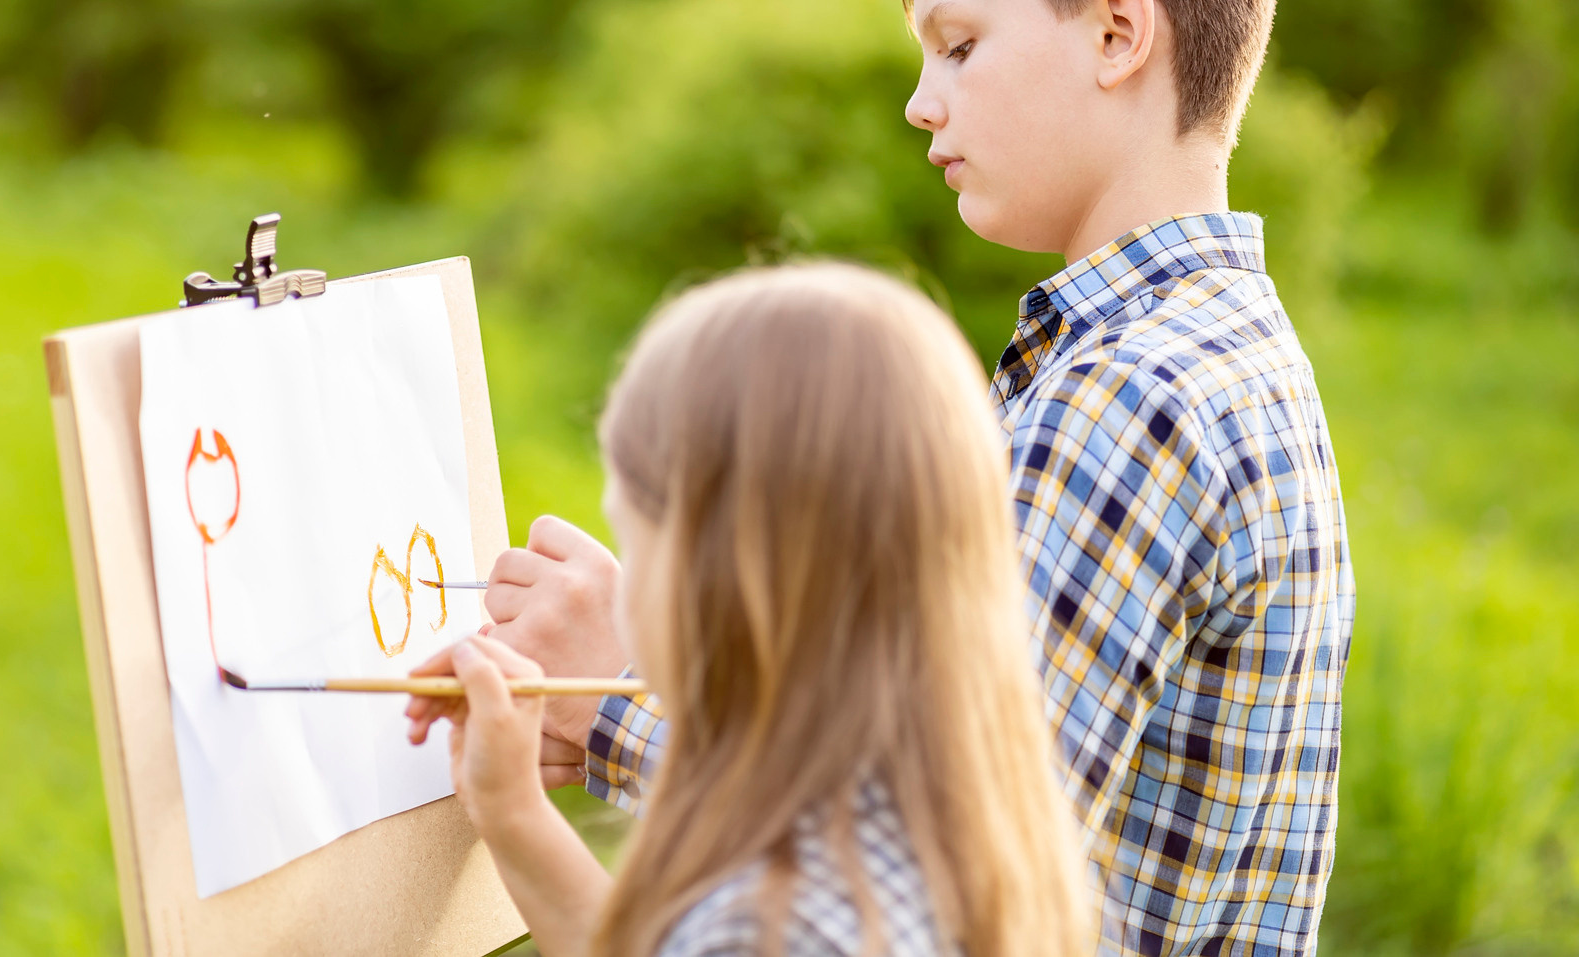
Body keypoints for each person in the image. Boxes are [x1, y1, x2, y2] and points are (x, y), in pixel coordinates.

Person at [481, 0, 1355, 956]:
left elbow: (937, 872)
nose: (919, 101)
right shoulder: (1229, 348)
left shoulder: (1127, 399)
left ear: (1114, 34)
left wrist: (612, 701)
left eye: (958, 45)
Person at [406, 264, 1093, 957]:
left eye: (636, 536)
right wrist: (513, 811)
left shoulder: (772, 919)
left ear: (724, 570)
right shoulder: (954, 821)